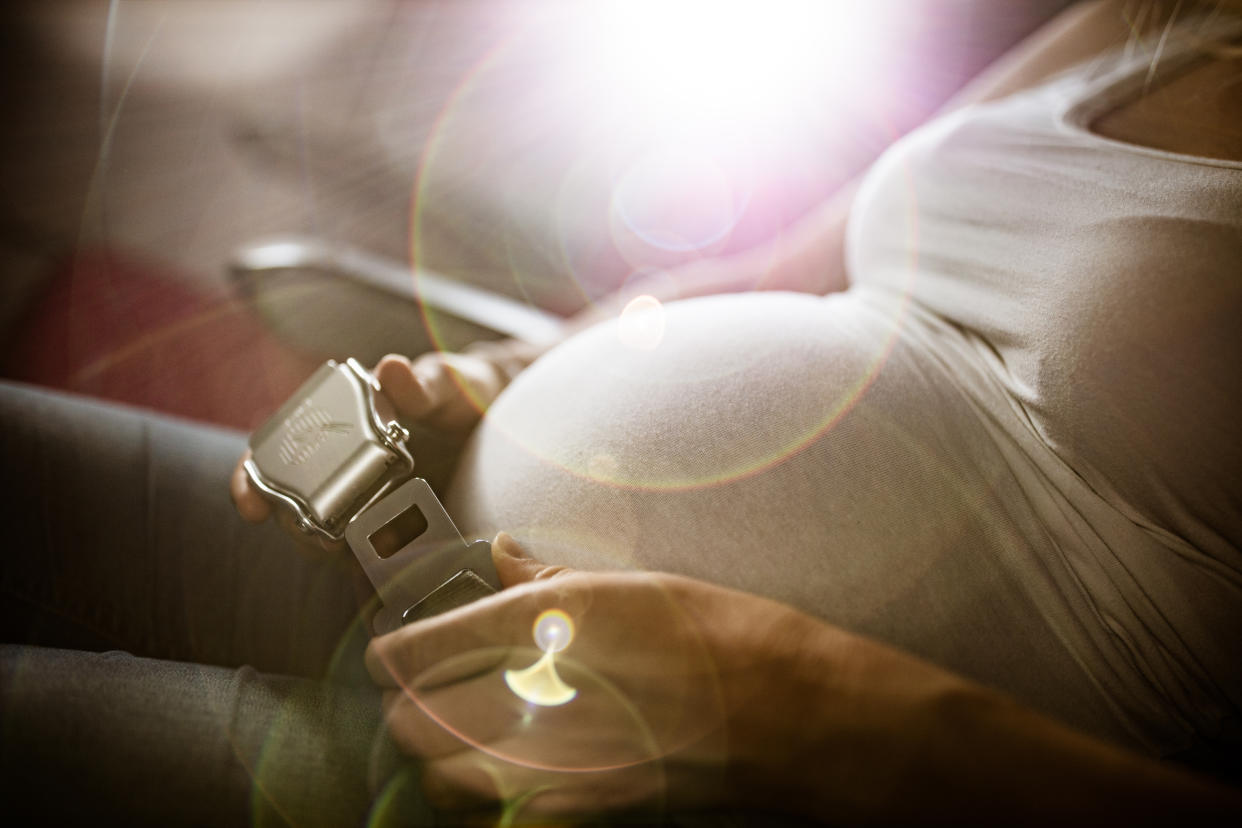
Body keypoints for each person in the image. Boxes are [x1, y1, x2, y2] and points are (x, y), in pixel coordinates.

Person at [3, 0, 1240, 824]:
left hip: (613, 772)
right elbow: (765, 278)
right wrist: (493, 376)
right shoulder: (1158, 25)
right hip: (413, 542)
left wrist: (777, 689)